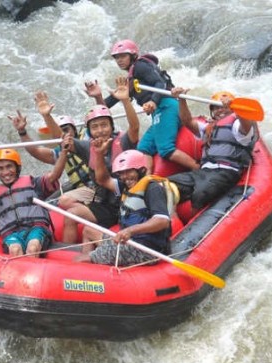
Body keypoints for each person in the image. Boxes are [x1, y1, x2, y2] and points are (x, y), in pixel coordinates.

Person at [85, 39, 199, 172]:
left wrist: (153, 101)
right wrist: (98, 96)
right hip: (159, 112)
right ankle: (149, 177)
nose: (119, 60)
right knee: (143, 148)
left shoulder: (141, 66)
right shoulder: (132, 79)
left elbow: (160, 83)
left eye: (123, 56)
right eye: (116, 58)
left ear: (133, 55)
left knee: (165, 149)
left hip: (167, 106)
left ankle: (197, 168)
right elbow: (106, 106)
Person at [58, 75, 140, 243]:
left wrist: (125, 101)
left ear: (111, 127)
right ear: (89, 132)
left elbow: (135, 126)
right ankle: (65, 256)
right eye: (95, 127)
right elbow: (60, 137)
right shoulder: (87, 146)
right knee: (69, 213)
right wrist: (63, 139)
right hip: (104, 203)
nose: (100, 131)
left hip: (128, 203)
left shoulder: (123, 141)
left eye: (104, 125)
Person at [77, 145, 178, 265]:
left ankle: (90, 265)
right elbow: (102, 180)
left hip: (145, 250)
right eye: (121, 173)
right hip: (129, 242)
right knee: (88, 230)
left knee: (81, 260)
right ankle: (95, 266)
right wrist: (99, 155)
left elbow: (162, 221)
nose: (125, 177)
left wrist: (130, 231)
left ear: (141, 170)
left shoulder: (152, 188)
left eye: (129, 171)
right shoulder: (126, 186)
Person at [168, 88, 258, 215]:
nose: (219, 110)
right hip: (203, 172)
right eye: (215, 108)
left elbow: (246, 126)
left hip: (226, 172)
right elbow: (187, 121)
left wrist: (239, 110)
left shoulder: (237, 125)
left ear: (232, 109)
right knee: (164, 185)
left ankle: (193, 227)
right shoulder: (208, 128)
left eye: (223, 107)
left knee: (201, 193)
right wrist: (181, 99)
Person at [9, 92, 93, 198]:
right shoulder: (61, 152)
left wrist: (46, 116)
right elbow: (35, 151)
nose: (65, 134)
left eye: (67, 130)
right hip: (82, 189)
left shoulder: (87, 137)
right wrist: (22, 131)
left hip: (99, 183)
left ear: (75, 130)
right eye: (60, 130)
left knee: (65, 200)